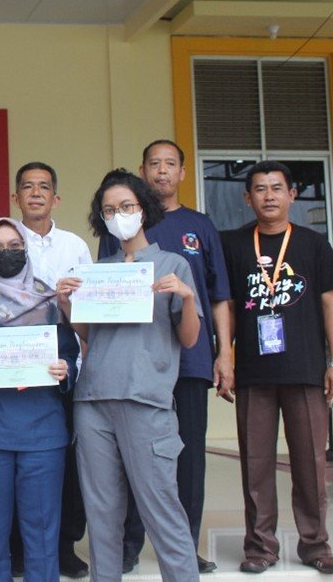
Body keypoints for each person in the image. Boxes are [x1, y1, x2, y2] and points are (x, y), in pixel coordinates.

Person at [55, 170, 201, 582]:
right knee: (102, 514)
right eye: (109, 210)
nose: (118, 215)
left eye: (126, 207)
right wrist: (67, 304)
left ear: (143, 209)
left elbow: (188, 339)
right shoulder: (100, 270)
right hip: (93, 401)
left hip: (146, 401)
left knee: (162, 508)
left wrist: (186, 299)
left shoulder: (173, 265)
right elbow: (88, 336)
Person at [97, 141, 231, 575]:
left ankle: (184, 547)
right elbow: (100, 311)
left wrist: (224, 352)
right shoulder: (111, 245)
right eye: (153, 164)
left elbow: (219, 296)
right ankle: (130, 546)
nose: (162, 170)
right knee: (129, 461)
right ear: (143, 171)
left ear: (182, 172)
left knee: (184, 458)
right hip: (128, 367)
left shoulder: (198, 227)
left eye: (169, 163)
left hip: (187, 361)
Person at [221, 161, 333, 575]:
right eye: (260, 189)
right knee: (255, 465)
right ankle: (260, 547)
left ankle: (316, 545)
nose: (269, 195)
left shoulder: (313, 244)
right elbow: (227, 306)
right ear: (247, 198)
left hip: (306, 370)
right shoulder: (234, 245)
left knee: (310, 463)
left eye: (277, 188)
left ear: (292, 195)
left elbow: (331, 304)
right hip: (255, 373)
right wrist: (226, 356)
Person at [0, 217, 77, 582]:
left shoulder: (51, 301)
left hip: (42, 434)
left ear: (26, 249)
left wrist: (63, 369)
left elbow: (70, 355)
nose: (5, 253)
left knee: (42, 534)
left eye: (13, 246)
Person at [12, 161, 92, 579]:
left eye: (44, 187)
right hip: (14, 356)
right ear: (16, 197)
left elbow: (91, 310)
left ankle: (64, 546)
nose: (36, 193)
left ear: (56, 198)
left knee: (63, 457)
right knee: (17, 456)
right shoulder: (2, 239)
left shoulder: (75, 246)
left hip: (63, 355)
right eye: (28, 187)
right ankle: (19, 548)